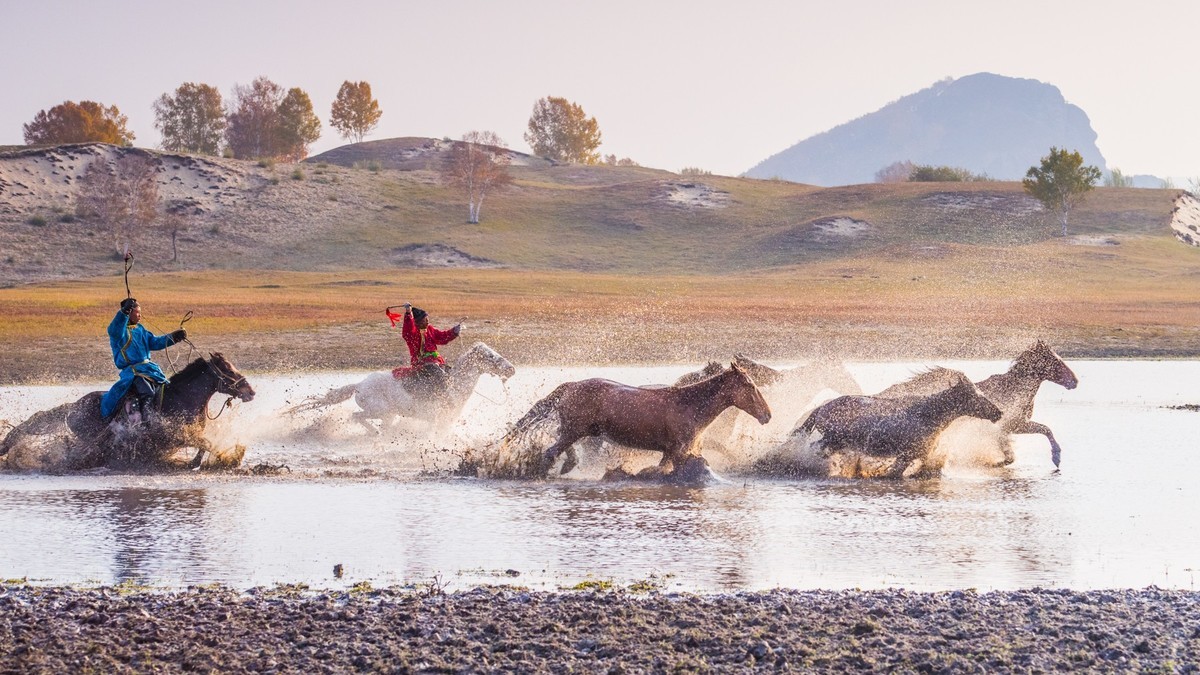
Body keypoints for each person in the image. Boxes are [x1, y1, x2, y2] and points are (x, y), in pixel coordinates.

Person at [99, 296, 188, 424]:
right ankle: (146, 423)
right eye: (137, 313)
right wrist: (123, 312)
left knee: (167, 390)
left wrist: (174, 337)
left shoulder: (140, 329)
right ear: (129, 313)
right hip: (134, 372)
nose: (140, 316)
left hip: (150, 370)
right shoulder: (119, 332)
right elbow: (114, 329)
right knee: (147, 391)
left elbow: (156, 342)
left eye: (140, 313)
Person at [387, 303, 461, 393]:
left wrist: (453, 332)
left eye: (427, 319)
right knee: (433, 368)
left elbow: (442, 337)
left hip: (437, 361)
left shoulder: (429, 329)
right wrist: (408, 313)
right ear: (416, 322)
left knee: (449, 371)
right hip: (422, 363)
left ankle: (454, 390)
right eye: (424, 320)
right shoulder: (412, 334)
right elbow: (408, 329)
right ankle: (445, 394)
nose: (427, 322)